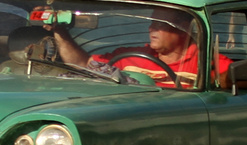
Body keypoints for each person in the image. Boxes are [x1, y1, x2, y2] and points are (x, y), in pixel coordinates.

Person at [51, 7, 228, 89]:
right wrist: (59, 31)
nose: (151, 29)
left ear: (183, 28)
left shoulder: (205, 59)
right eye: (152, 23)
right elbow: (81, 64)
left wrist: (217, 82)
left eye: (160, 25)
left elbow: (245, 75)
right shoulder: (128, 57)